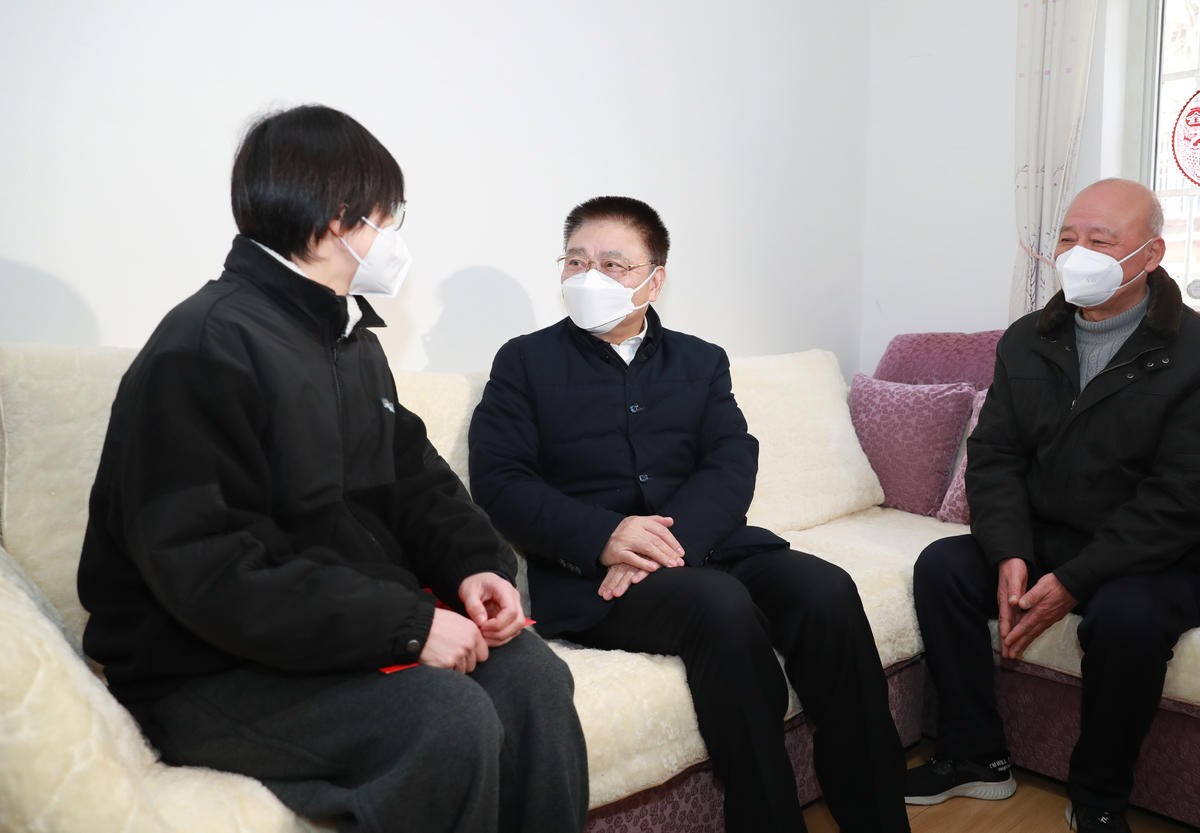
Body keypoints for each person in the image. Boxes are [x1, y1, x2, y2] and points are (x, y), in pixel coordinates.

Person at [76, 104, 588, 833]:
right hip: (207, 668)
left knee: (533, 677)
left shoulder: (349, 339)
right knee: (445, 719)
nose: (393, 235)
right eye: (388, 214)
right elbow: (207, 568)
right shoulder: (204, 346)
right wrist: (409, 626)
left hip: (330, 637)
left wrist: (477, 567)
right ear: (337, 216)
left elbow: (417, 483)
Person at [467, 195, 911, 833]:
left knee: (826, 590)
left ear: (655, 280)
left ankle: (876, 817)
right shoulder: (524, 362)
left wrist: (665, 546)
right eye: (576, 261)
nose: (590, 276)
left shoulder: (700, 360)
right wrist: (606, 535)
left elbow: (732, 461)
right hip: (594, 576)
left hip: (708, 545)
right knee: (719, 605)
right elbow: (501, 480)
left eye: (613, 264)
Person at [904, 178, 1200, 833]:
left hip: (1156, 555)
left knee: (1127, 619)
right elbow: (996, 455)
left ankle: (1098, 798)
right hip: (1048, 532)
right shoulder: (1027, 340)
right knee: (943, 568)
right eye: (1068, 237)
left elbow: (1180, 497)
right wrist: (1008, 550)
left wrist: (1073, 581)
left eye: (1101, 241)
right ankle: (974, 755)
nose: (1078, 254)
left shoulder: (1192, 353)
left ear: (1151, 254)